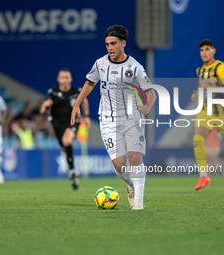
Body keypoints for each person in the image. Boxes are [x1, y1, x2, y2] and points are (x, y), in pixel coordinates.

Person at [71, 25, 156, 209]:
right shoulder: (100, 64)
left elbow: (151, 92)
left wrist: (147, 105)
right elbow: (89, 83)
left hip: (132, 118)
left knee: (135, 157)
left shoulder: (135, 67)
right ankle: (131, 185)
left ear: (123, 43)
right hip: (108, 120)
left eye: (114, 43)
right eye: (107, 44)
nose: (110, 47)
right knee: (120, 167)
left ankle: (139, 203)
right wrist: (77, 103)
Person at [191, 39, 224, 190]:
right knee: (197, 139)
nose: (204, 52)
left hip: (223, 113)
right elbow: (203, 85)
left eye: (207, 49)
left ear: (213, 51)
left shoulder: (221, 68)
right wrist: (197, 94)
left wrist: (211, 88)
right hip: (206, 111)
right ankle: (203, 176)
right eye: (202, 50)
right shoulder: (200, 70)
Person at [41, 68, 91, 190]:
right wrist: (45, 105)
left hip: (72, 122)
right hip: (57, 125)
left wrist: (87, 116)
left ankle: (72, 171)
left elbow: (84, 100)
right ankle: (73, 172)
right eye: (62, 77)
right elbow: (42, 110)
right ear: (58, 79)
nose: (64, 80)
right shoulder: (53, 92)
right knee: (65, 148)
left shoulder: (76, 91)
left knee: (67, 141)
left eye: (66, 77)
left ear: (70, 79)